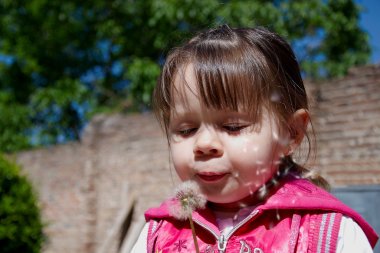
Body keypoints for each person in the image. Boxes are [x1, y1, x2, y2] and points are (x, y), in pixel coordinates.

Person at [132, 25, 378, 252]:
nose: (204, 144)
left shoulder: (328, 234)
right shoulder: (158, 234)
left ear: (290, 133)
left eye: (232, 126)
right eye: (186, 130)